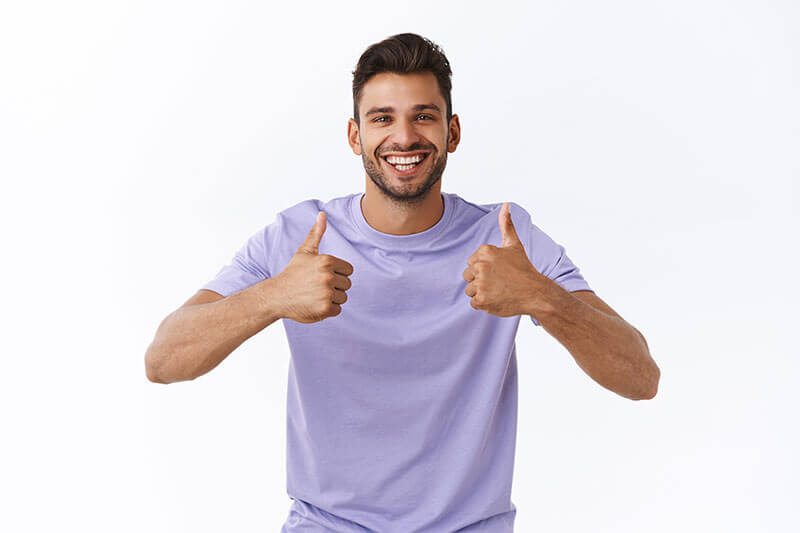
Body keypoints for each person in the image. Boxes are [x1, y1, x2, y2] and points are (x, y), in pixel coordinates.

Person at [144, 33, 660, 533]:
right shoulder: (298, 235)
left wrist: (544, 299)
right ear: (355, 136)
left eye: (423, 117)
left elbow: (640, 378)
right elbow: (164, 361)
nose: (405, 137)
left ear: (452, 132)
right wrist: (273, 296)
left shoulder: (507, 239)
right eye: (383, 118)